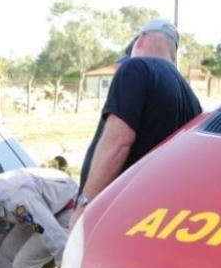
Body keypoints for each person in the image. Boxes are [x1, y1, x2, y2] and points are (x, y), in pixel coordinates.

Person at [72, 19, 201, 225]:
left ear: (140, 40)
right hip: (155, 217)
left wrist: (85, 206)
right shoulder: (190, 96)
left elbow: (117, 143)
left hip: (117, 212)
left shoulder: (136, 68)